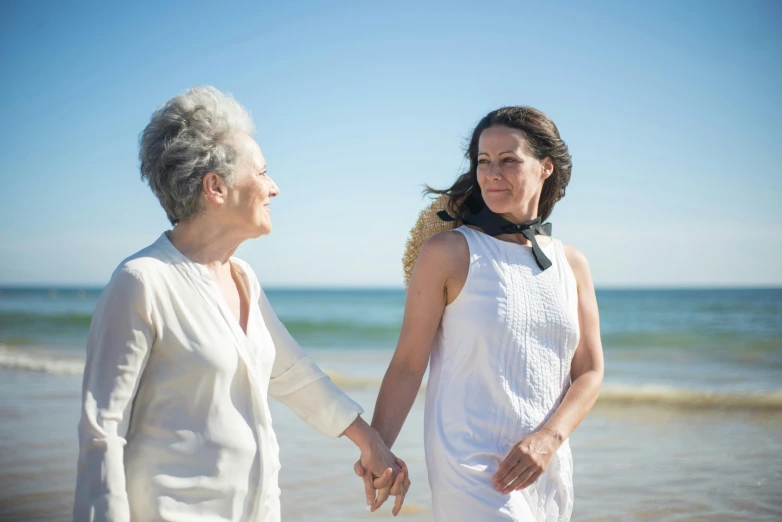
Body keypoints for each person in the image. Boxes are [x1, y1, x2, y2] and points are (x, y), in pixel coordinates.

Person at [73, 86, 408, 522]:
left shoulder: (243, 278)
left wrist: (370, 441)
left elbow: (292, 374)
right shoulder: (141, 282)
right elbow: (102, 431)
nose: (275, 188)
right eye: (264, 173)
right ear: (215, 187)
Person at [358, 107, 604, 521]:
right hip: (469, 465)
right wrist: (377, 448)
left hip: (545, 464)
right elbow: (407, 364)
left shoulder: (572, 264)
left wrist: (548, 438)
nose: (492, 173)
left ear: (545, 168)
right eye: (483, 161)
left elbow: (591, 372)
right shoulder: (448, 253)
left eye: (508, 160)